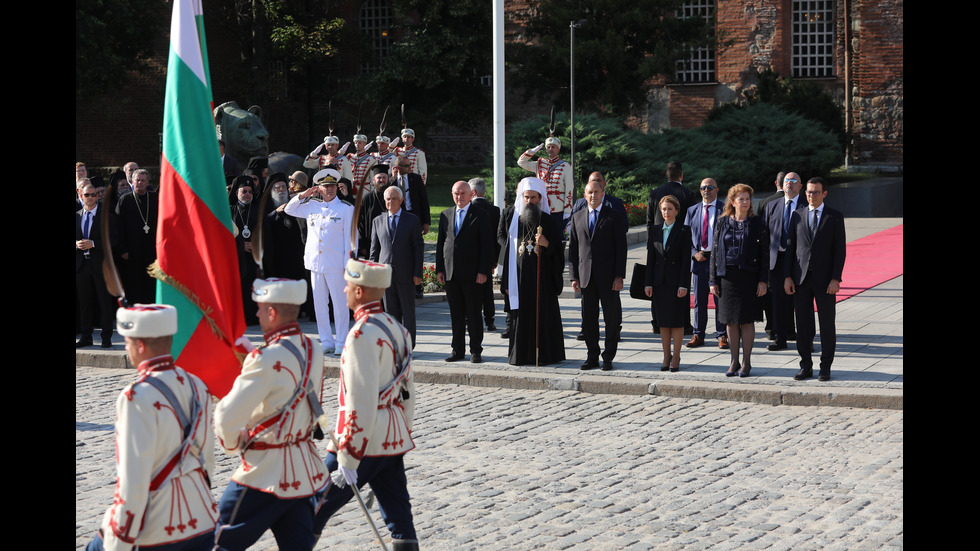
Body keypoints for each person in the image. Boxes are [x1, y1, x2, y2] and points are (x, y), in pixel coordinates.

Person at [86, 304, 216, 551]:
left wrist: (118, 543)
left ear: (140, 346)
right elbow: (207, 461)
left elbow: (132, 483)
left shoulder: (135, 397)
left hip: (159, 532)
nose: (126, 347)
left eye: (127, 341)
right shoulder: (199, 385)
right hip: (203, 521)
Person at [312, 259, 419, 551]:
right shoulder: (398, 329)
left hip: (362, 442)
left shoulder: (360, 336)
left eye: (348, 285)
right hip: (391, 437)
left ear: (359, 292)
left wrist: (347, 459)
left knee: (308, 513)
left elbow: (359, 402)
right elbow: (407, 390)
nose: (345, 289)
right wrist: (402, 430)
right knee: (400, 521)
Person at [214, 278, 327, 551]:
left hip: (263, 473)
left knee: (217, 542)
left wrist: (235, 441)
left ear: (273, 313)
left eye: (261, 309)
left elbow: (226, 416)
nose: (257, 314)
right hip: (301, 472)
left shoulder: (265, 359)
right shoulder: (314, 349)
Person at [285, 168, 355, 356]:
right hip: (315, 263)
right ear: (319, 189)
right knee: (319, 305)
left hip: (336, 264)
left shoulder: (346, 208)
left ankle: (341, 341)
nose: (330, 190)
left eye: (332, 186)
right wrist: (303, 195)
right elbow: (289, 209)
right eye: (325, 187)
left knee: (340, 305)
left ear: (337, 187)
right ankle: (326, 340)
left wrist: (348, 265)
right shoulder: (311, 206)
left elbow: (350, 239)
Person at [785, 177, 846, 381]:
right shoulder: (797, 215)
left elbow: (840, 250)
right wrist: (788, 277)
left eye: (816, 192)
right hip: (801, 279)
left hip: (826, 280)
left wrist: (835, 278)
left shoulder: (834, 216)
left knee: (827, 324)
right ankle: (806, 366)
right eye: (809, 192)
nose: (811, 196)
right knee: (802, 325)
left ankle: (825, 366)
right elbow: (791, 249)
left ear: (824, 193)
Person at [501, 177, 566, 366]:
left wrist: (546, 244)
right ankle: (520, 355)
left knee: (542, 315)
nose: (530, 201)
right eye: (526, 197)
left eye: (534, 197)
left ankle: (545, 355)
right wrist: (506, 282)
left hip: (542, 279)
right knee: (520, 316)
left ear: (540, 198)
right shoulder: (514, 221)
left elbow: (559, 253)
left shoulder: (548, 221)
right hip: (518, 278)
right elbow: (507, 253)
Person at [709, 184, 770, 378]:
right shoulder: (722, 222)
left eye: (748, 199)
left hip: (749, 277)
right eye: (741, 199)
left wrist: (763, 281)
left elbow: (765, 254)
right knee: (730, 320)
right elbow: (715, 252)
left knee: (746, 320)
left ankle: (747, 362)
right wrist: (713, 280)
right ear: (733, 202)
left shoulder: (757, 223)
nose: (745, 202)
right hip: (727, 277)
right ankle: (733, 361)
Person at [568, 179, 627, 371]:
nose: (593, 196)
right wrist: (574, 276)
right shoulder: (577, 217)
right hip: (586, 277)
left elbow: (621, 249)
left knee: (611, 319)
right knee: (589, 320)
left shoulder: (614, 216)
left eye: (596, 192)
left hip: (609, 277)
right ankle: (592, 355)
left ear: (603, 194)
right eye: (589, 192)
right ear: (584, 196)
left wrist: (619, 276)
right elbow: (574, 250)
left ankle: (608, 357)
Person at [436, 180, 492, 363]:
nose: (459, 197)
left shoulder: (481, 215)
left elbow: (486, 245)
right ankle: (457, 350)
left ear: (471, 194)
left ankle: (476, 350)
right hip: (451, 273)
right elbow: (440, 245)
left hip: (473, 273)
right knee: (456, 314)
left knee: (474, 313)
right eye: (456, 194)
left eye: (462, 193)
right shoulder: (446, 215)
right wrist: (440, 269)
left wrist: (484, 270)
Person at [370, 186, 424, 347]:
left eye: (394, 198)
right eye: (388, 198)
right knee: (390, 312)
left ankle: (408, 344)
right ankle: (393, 344)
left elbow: (418, 248)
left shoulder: (412, 220)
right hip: (385, 275)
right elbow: (374, 250)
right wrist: (373, 274)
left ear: (401, 200)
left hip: (406, 274)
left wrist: (417, 272)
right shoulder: (377, 221)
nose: (390, 202)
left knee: (408, 312)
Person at [644, 195, 692, 372]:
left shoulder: (684, 230)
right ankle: (666, 356)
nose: (666, 212)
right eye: (663, 209)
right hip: (659, 283)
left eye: (669, 209)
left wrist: (684, 284)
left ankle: (676, 355)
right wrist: (648, 283)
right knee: (663, 322)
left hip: (676, 283)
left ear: (677, 211)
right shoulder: (655, 230)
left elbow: (686, 261)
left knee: (677, 322)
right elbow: (650, 259)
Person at [684, 178, 725, 349]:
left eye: (709, 187)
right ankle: (698, 334)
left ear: (717, 189)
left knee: (719, 299)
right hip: (700, 259)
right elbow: (686, 237)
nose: (706, 190)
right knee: (699, 300)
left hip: (719, 260)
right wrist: (694, 253)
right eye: (703, 188)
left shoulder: (725, 209)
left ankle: (722, 335)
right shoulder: (692, 210)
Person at [763, 171, 803, 351]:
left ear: (800, 186)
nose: (790, 183)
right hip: (777, 259)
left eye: (794, 181)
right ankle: (780, 337)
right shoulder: (772, 205)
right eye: (787, 180)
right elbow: (765, 234)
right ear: (782, 184)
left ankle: (804, 337)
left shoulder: (805, 205)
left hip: (799, 260)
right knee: (778, 300)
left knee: (802, 300)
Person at [76, 181, 117, 348]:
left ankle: (106, 336)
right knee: (85, 303)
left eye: (94, 194)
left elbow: (114, 240)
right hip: (81, 266)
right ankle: (86, 336)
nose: (91, 198)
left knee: (104, 302)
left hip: (100, 265)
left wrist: (94, 244)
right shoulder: (76, 215)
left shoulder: (106, 216)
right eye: (87, 195)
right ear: (81, 196)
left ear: (98, 196)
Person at [115, 168, 158, 304]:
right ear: (132, 182)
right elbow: (118, 226)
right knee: (134, 281)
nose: (139, 183)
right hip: (131, 251)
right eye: (137, 180)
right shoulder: (125, 200)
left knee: (151, 281)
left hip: (152, 250)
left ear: (147, 182)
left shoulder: (155, 198)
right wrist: (122, 248)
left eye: (142, 180)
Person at [517, 136, 574, 235]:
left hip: (557, 207)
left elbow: (569, 188)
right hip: (542, 205)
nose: (550, 149)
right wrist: (531, 152)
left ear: (558, 149)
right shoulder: (539, 164)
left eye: (553, 147)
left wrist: (567, 210)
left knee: (557, 234)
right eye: (548, 147)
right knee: (540, 234)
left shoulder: (565, 166)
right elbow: (521, 162)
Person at [468, 177, 501, 332]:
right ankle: (490, 320)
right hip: (488, 257)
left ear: (473, 192)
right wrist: (494, 259)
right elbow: (497, 236)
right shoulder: (494, 210)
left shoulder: (468, 209)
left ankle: (471, 319)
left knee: (470, 291)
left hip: (470, 257)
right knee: (487, 290)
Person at [263, 173, 307, 281]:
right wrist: (275, 212)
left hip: (296, 255)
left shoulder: (294, 204)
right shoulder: (265, 205)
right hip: (276, 256)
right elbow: (262, 224)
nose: (281, 190)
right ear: (272, 190)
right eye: (277, 188)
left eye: (283, 187)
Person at [231, 176, 261, 325]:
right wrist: (241, 246)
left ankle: (252, 317)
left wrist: (254, 246)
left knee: (252, 286)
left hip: (254, 258)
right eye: (244, 191)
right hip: (236, 258)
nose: (248, 194)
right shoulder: (230, 211)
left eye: (250, 191)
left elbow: (265, 234)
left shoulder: (258, 210)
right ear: (237, 193)